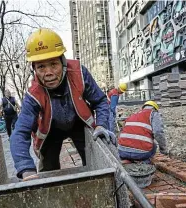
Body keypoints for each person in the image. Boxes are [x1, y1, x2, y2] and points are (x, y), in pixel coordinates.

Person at [10, 28, 114, 181]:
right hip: (50, 130)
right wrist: (26, 168)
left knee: (95, 162)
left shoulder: (79, 73)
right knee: (46, 170)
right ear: (34, 69)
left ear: (63, 63)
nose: (49, 72)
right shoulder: (33, 94)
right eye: (41, 67)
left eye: (53, 64)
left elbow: (100, 101)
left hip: (79, 123)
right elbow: (20, 132)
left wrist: (102, 125)